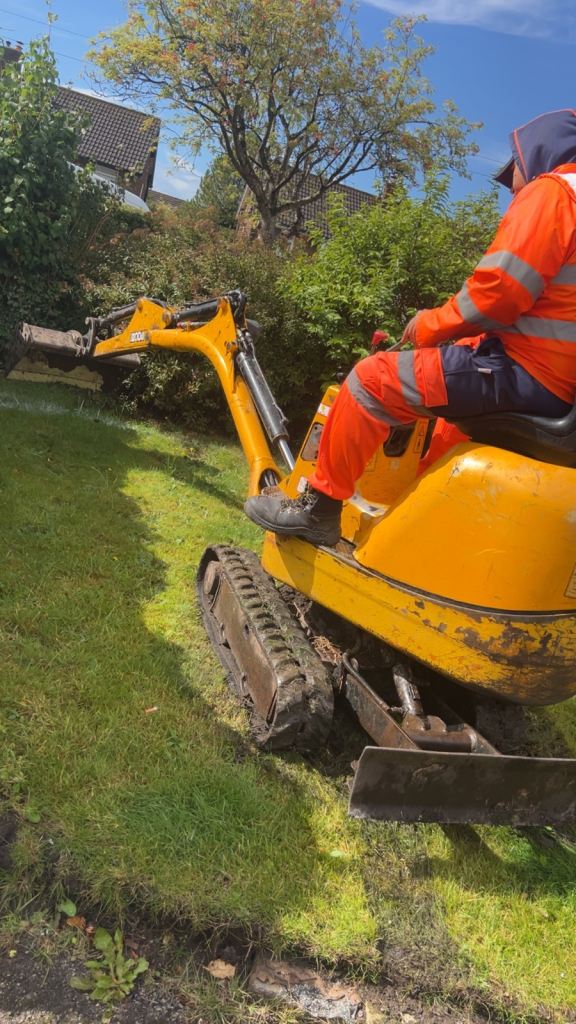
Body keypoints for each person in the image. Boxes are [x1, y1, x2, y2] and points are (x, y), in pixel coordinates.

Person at [245, 109, 576, 546]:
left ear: (536, 152)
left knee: (368, 382)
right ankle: (410, 532)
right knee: (448, 430)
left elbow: (499, 292)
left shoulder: (554, 192)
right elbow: (548, 315)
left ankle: (319, 508)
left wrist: (431, 325)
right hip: (556, 389)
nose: (511, 186)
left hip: (526, 376)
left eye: (511, 171)